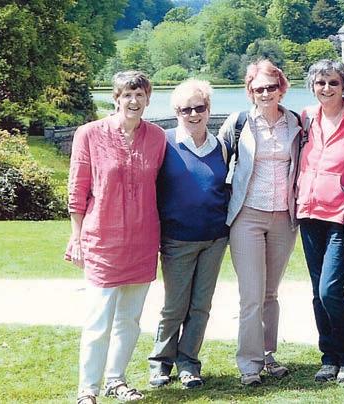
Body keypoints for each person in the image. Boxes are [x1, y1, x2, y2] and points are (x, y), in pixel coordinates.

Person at [66, 71, 167, 404]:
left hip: (143, 241)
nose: (133, 101)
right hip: (102, 240)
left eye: (140, 95)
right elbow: (77, 189)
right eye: (127, 95)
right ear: (116, 98)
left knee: (130, 320)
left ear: (148, 99)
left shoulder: (157, 137)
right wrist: (76, 237)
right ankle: (87, 390)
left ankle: (116, 380)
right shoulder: (89, 134)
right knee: (98, 321)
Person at [218, 59, 302, 386]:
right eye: (258, 89)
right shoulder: (239, 123)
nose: (265, 93)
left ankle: (268, 355)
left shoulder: (296, 122)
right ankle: (249, 365)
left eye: (271, 87)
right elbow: (217, 164)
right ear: (249, 91)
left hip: (283, 218)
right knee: (251, 294)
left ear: (281, 88)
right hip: (247, 216)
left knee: (270, 293)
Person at [148, 79, 230, 389]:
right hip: (177, 239)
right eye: (186, 109)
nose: (194, 114)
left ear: (208, 109)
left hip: (214, 238)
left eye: (200, 107)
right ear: (176, 112)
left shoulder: (221, 146)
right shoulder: (164, 143)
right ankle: (160, 362)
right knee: (175, 305)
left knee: (200, 306)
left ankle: (188, 363)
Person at [295, 59, 344, 383]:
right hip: (309, 213)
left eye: (333, 83)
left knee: (330, 289)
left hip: (342, 216)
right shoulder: (306, 117)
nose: (327, 88)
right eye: (320, 83)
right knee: (318, 291)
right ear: (312, 86)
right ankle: (329, 358)